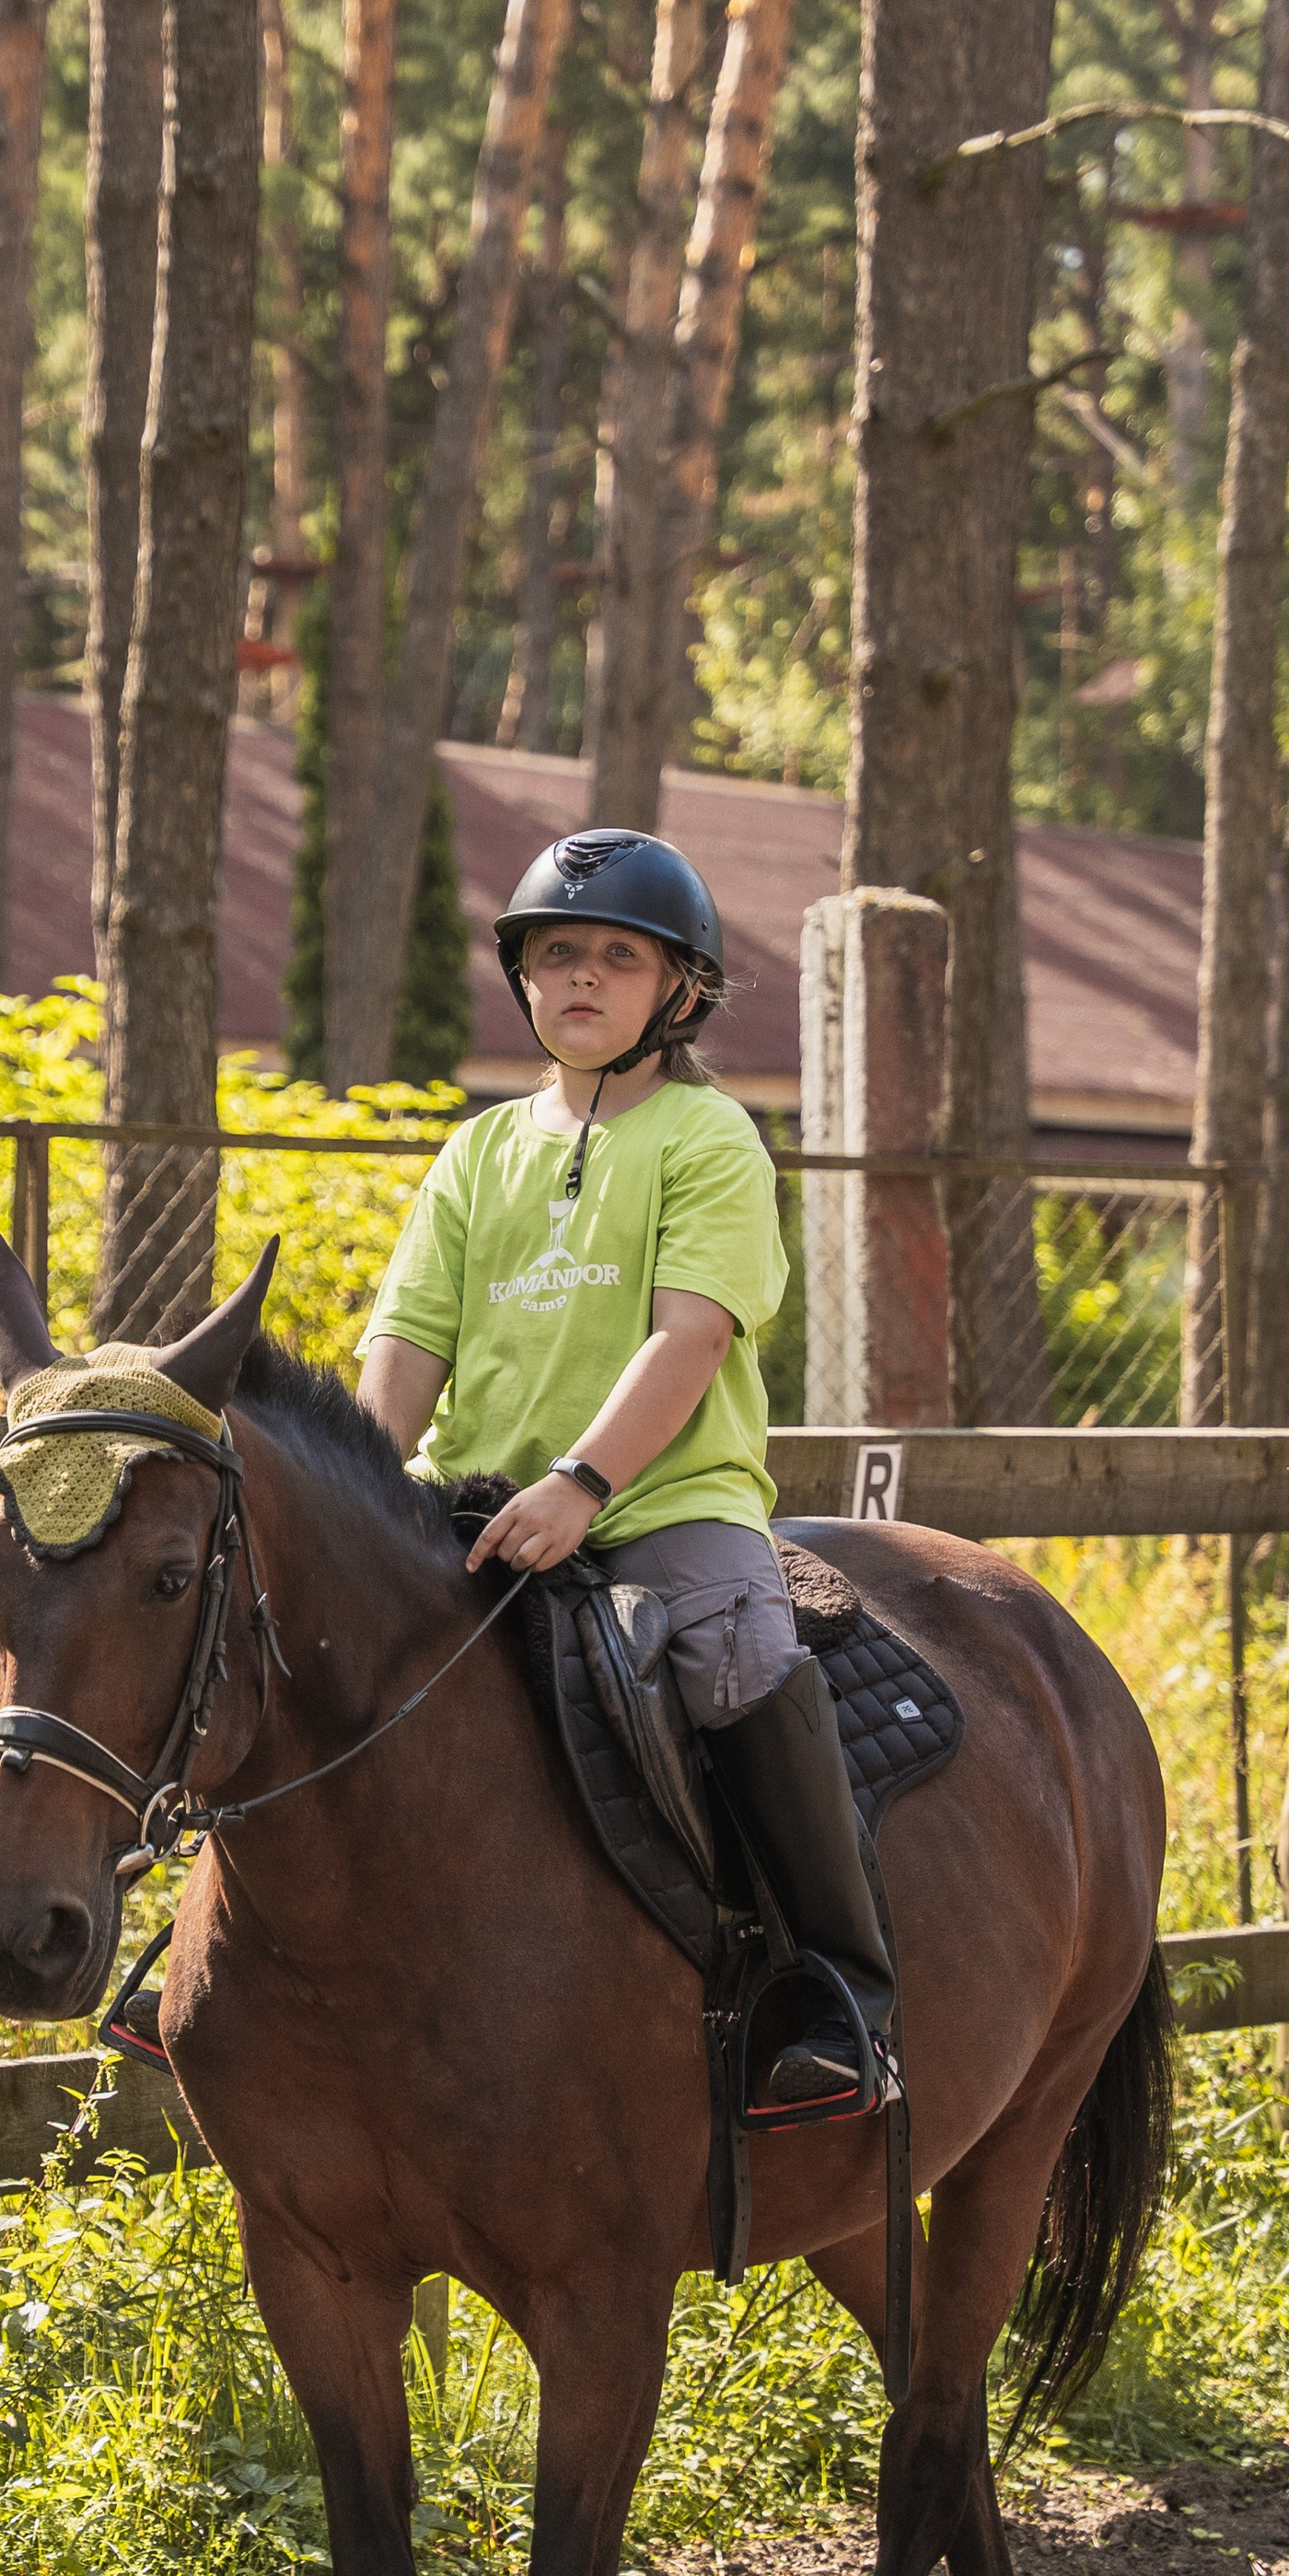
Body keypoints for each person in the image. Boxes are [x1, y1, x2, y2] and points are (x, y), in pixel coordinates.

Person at [358, 826, 896, 2110]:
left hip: (660, 1504)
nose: (583, 977)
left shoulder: (709, 1138)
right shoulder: (478, 1153)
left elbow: (689, 1336)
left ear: (682, 989)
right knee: (308, 1638)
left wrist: (581, 1485)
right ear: (524, 979)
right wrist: (364, 1498)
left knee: (735, 1661)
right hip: (469, 1505)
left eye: (618, 956)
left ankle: (843, 1992)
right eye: (557, 955)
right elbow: (405, 1345)